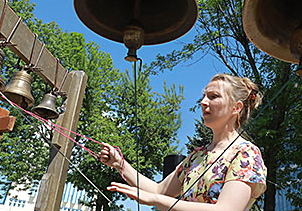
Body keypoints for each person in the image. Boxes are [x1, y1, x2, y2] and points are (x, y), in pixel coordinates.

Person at [100, 74, 267, 210]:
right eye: (203, 96)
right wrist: (120, 164)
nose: (203, 102)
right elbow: (160, 190)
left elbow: (226, 209)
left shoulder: (246, 154)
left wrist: (154, 200)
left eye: (213, 96)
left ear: (236, 108)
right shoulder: (197, 156)